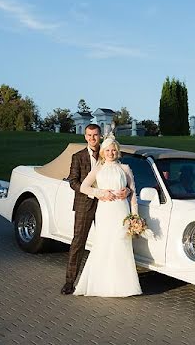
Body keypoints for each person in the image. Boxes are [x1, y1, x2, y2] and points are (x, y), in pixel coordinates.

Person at [60, 124, 128, 295]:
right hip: (86, 204)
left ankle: (107, 281)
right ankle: (70, 282)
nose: (92, 138)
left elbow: (125, 177)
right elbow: (73, 182)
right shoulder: (78, 157)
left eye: (95, 135)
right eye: (89, 135)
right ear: (85, 137)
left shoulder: (108, 151)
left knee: (110, 242)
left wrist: (128, 190)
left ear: (100, 136)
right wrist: (97, 192)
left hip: (110, 207)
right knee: (78, 242)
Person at [73, 132, 142, 297]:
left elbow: (133, 194)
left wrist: (134, 216)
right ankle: (101, 284)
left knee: (121, 245)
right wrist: (100, 193)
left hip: (121, 210)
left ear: (117, 151)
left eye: (113, 150)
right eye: (108, 150)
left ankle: (122, 286)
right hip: (105, 211)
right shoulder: (98, 169)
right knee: (103, 244)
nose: (111, 153)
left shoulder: (125, 168)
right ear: (103, 152)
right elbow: (84, 187)